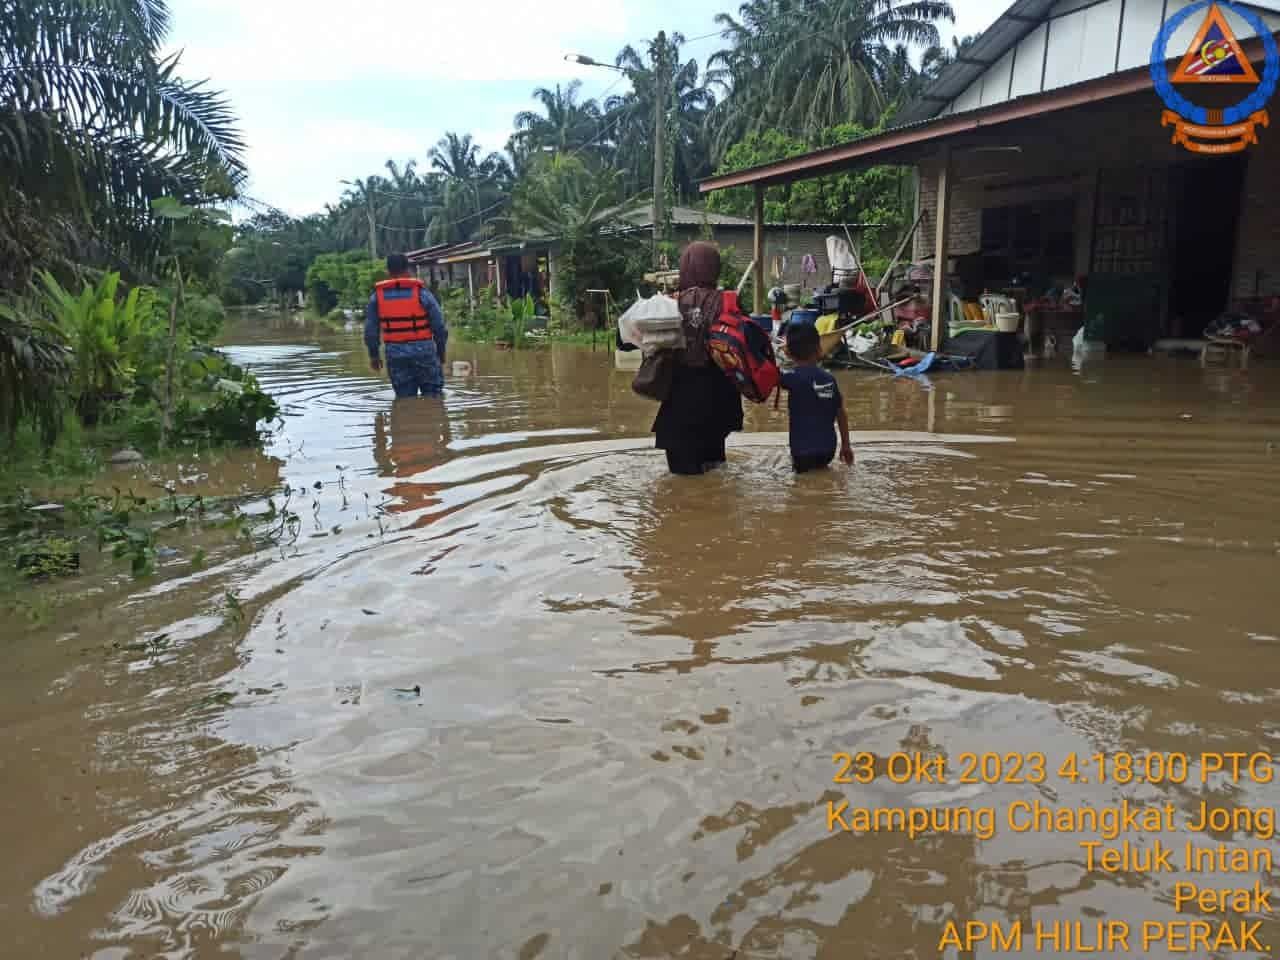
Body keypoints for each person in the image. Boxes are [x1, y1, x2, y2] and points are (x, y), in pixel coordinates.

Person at [652, 242, 744, 475]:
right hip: (720, 402)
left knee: (682, 482)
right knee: (715, 477)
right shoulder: (730, 302)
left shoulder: (671, 302)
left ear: (686, 267)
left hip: (681, 402)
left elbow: (631, 339)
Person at [366, 253, 448, 398]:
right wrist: (441, 352)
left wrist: (374, 355)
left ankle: (406, 419)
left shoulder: (376, 298)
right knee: (434, 396)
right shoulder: (422, 294)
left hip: (395, 353)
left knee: (404, 398)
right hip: (424, 351)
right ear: (408, 269)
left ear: (388, 271)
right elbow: (439, 326)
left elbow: (371, 331)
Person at [779, 324, 853, 473]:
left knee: (802, 486)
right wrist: (846, 445)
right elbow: (841, 414)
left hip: (802, 452)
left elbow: (766, 380)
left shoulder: (790, 379)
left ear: (789, 353)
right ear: (819, 349)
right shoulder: (829, 379)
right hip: (827, 450)